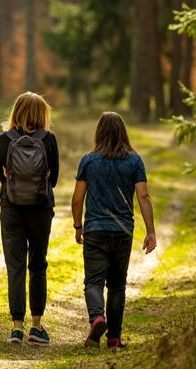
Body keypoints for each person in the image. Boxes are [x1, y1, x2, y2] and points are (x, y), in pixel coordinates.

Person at [71, 112, 157, 349]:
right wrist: (150, 231)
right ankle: (114, 338)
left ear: (99, 132)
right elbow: (143, 195)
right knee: (118, 284)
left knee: (94, 282)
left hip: (95, 230)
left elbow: (78, 199)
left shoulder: (88, 161)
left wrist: (78, 226)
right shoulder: (134, 161)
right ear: (123, 132)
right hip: (122, 231)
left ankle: (97, 318)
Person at [0, 92, 59, 344]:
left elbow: (1, 176)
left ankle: (15, 328)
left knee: (15, 267)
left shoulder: (4, 139)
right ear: (42, 114)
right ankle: (36, 327)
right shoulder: (49, 139)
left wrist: (15, 190)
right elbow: (53, 178)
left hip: (11, 208)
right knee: (38, 264)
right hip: (40, 208)